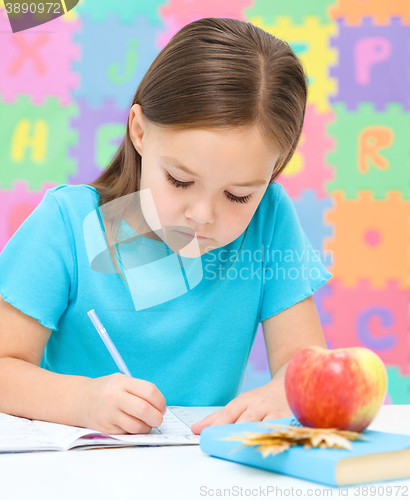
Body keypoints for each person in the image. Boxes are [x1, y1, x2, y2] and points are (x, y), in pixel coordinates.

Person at [0, 18, 332, 436]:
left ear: (273, 173)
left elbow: (305, 364)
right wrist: (82, 402)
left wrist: (282, 394)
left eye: (238, 196)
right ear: (139, 132)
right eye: (180, 180)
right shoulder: (66, 224)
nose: (202, 214)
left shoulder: (269, 220)